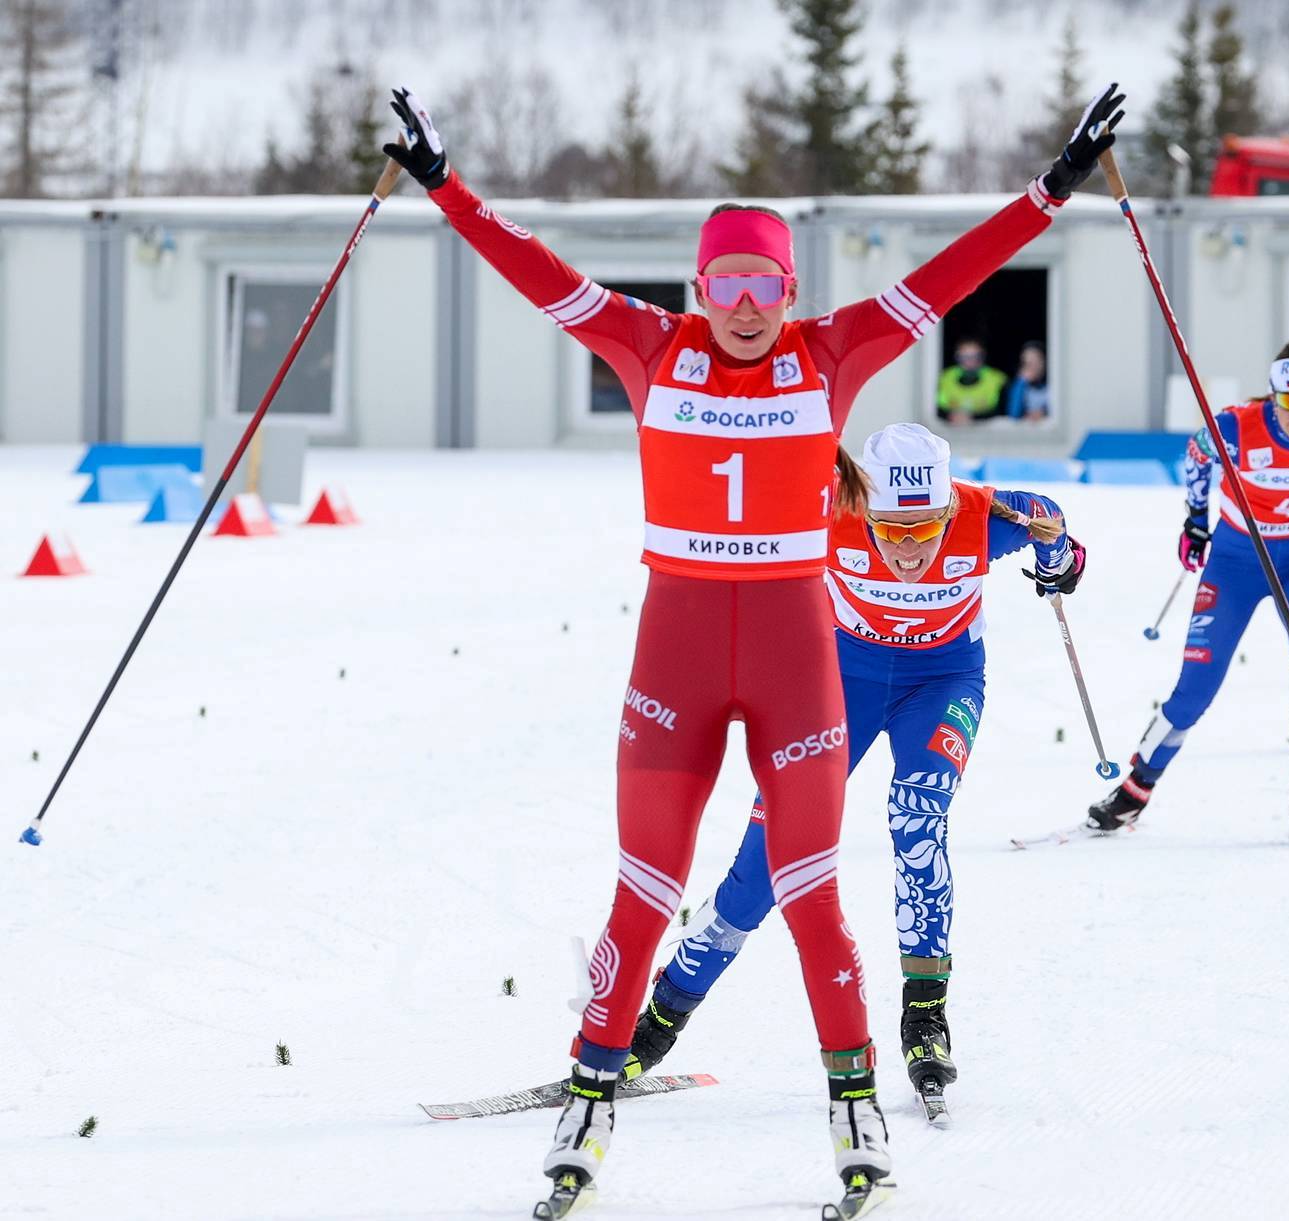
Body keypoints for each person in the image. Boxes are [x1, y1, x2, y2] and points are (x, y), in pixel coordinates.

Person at [380, 81, 1126, 1216]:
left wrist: (1052, 189)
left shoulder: (831, 354)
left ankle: (855, 1111)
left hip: (796, 666)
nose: (742, 304)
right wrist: (443, 186)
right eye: (723, 282)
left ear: (790, 290)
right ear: (696, 287)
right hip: (673, 663)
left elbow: (953, 272)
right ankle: (590, 1104)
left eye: (763, 284)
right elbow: (532, 268)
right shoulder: (645, 345)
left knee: (808, 890)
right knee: (643, 891)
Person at [618, 422, 1084, 1118]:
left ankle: (925, 1018)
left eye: (924, 529)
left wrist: (1062, 561)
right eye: (889, 529)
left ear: (950, 507)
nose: (906, 549)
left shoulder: (988, 515)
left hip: (944, 682)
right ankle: (662, 1013)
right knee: (770, 859)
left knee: (917, 816)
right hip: (839, 684)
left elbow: (1052, 522)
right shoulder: (828, 506)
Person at [1086, 341, 1289, 849]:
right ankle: (1136, 786)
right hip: (1236, 561)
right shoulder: (1238, 427)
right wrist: (1195, 522)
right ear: (1273, 397)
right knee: (1197, 684)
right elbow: (1197, 457)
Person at [936, 338, 1008, 424]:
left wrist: (973, 417)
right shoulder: (946, 377)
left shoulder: (996, 378)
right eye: (964, 357)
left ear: (982, 357)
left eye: (975, 356)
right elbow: (936, 408)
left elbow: (1004, 411)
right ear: (957, 357)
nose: (970, 361)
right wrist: (950, 416)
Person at [1005, 340, 1051, 422]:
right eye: (1027, 363)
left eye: (1035, 361)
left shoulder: (1053, 385)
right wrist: (1021, 382)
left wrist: (1044, 412)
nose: (1031, 367)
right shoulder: (1020, 385)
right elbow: (1013, 414)